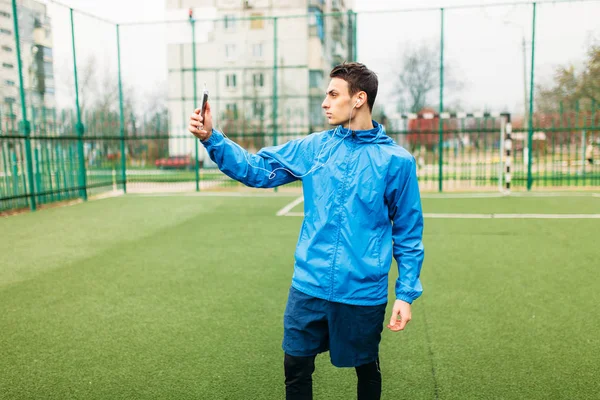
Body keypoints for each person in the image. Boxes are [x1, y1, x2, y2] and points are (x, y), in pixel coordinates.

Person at [188, 62, 424, 400]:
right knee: (295, 367)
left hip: (361, 292)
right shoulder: (316, 148)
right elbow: (258, 169)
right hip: (308, 286)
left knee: (366, 368)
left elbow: (408, 233)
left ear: (359, 99)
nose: (325, 103)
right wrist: (213, 138)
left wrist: (405, 293)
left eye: (332, 94)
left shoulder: (396, 162)